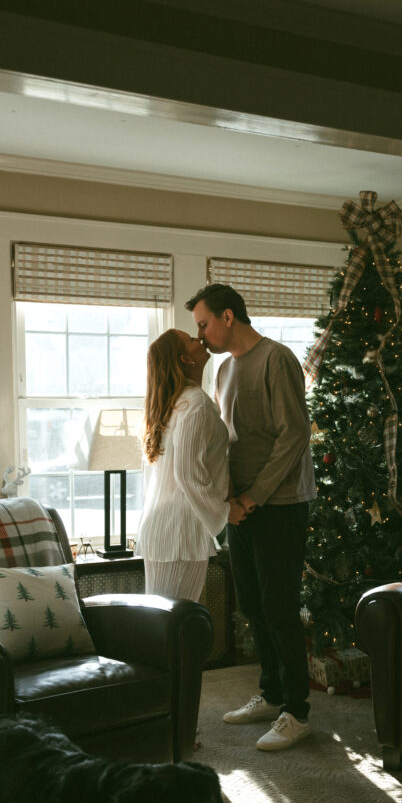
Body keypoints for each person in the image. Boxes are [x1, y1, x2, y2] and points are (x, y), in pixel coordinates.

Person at [186, 283, 317, 751]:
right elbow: (230, 442)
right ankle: (272, 692)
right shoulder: (223, 370)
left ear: (226, 316)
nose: (199, 335)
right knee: (253, 606)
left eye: (202, 324)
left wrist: (254, 497)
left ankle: (297, 711)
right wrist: (228, 500)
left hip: (278, 506)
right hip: (240, 507)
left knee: (280, 607)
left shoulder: (276, 359)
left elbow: (294, 434)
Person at [137, 328, 243, 603]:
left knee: (167, 626)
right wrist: (225, 511)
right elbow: (187, 473)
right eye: (190, 340)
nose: (200, 339)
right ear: (185, 359)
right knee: (174, 627)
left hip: (167, 529)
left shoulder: (176, 404)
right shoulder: (194, 404)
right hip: (179, 532)